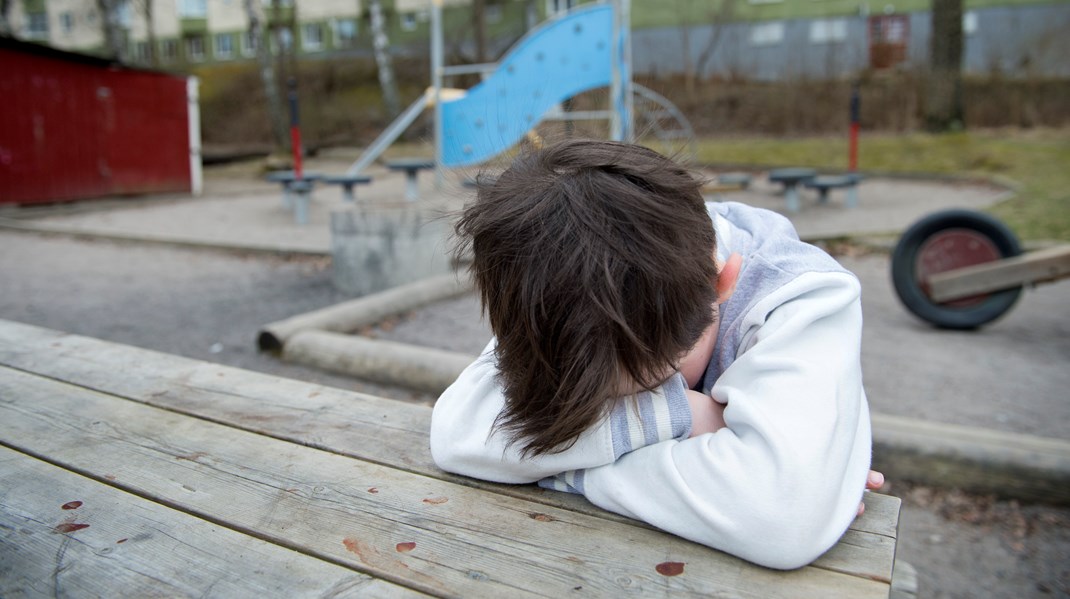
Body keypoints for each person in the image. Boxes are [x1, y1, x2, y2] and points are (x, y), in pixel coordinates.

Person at [429, 139, 879, 570]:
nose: (653, 398)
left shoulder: (803, 295)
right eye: (609, 402)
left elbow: (782, 517)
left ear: (721, 285)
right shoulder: (551, 283)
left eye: (657, 386)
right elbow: (455, 432)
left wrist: (554, 470)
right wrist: (689, 416)